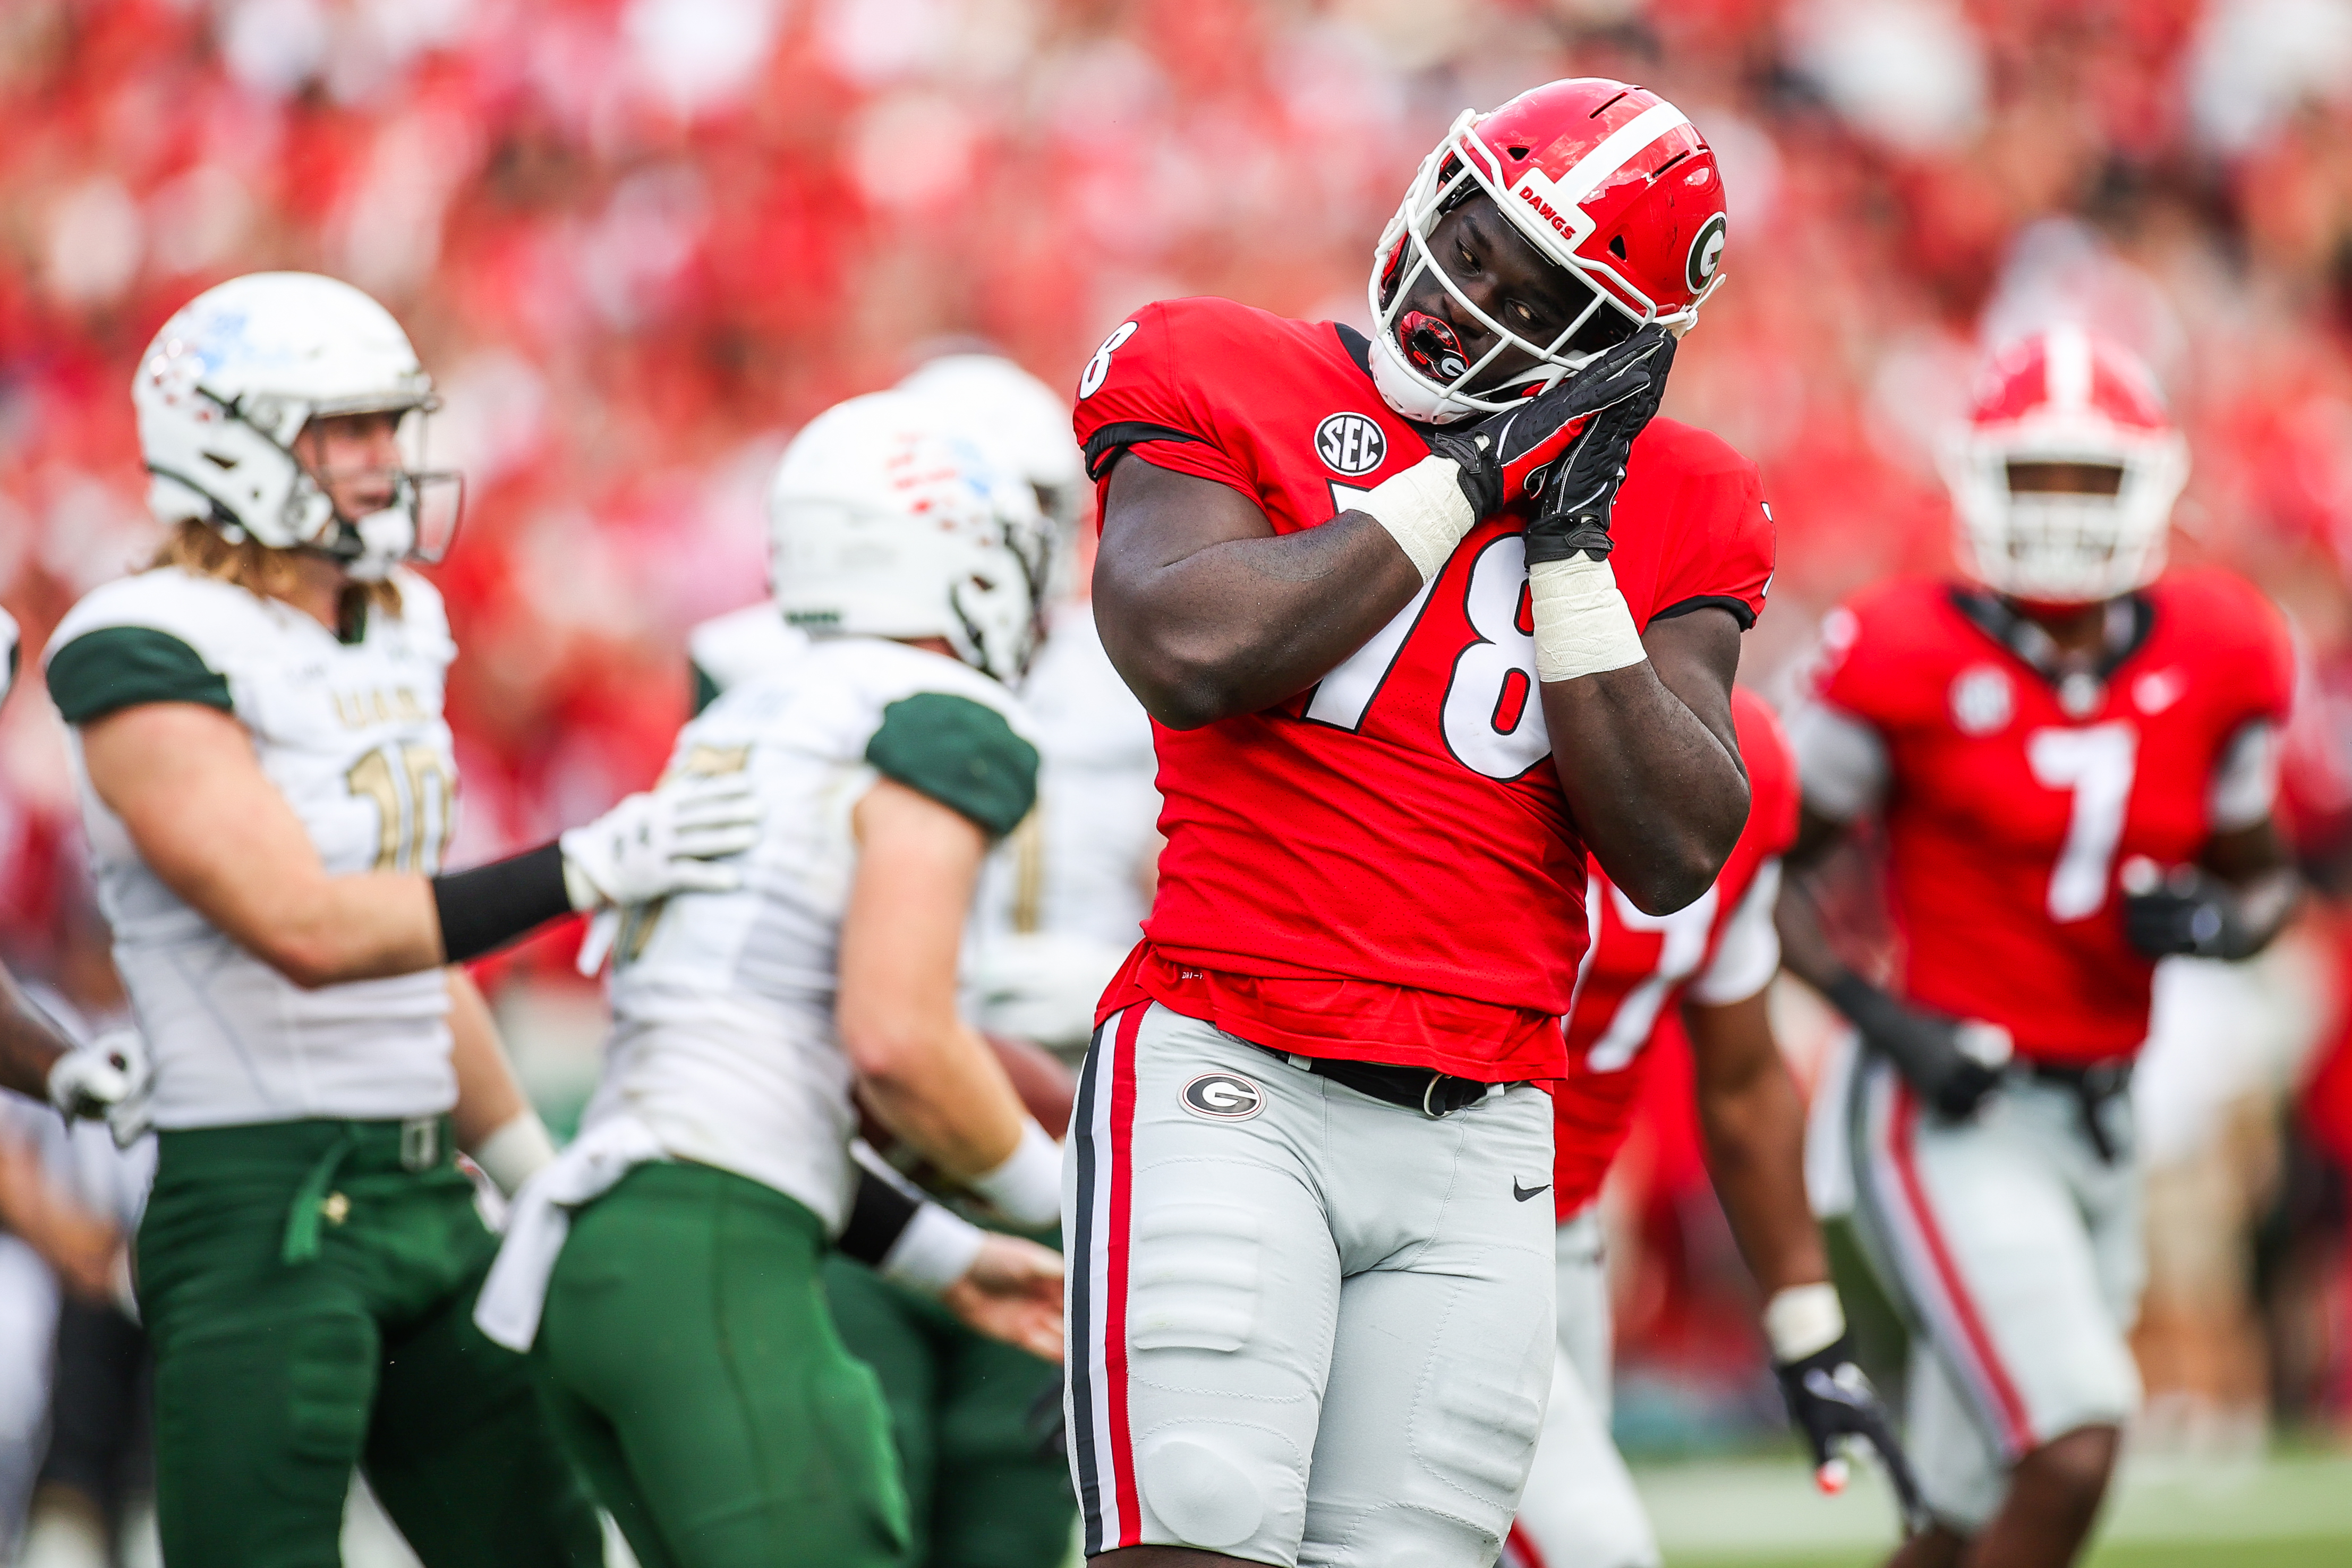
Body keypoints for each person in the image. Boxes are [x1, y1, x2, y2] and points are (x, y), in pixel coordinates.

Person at [1068, 78, 1774, 1567]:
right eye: (1470, 230)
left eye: (1538, 293)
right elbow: (1184, 649)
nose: (1465, 295)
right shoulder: (1215, 360)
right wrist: (1464, 486)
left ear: (1621, 352)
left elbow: (1672, 850)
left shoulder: (1682, 499)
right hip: (1230, 1069)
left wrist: (1568, 544)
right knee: (1194, 1535)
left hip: (1486, 1128)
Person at [43, 270, 763, 1568]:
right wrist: (579, 869)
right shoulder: (145, 643)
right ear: (226, 438)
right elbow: (309, 930)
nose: (386, 459)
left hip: (428, 1182)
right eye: (346, 430)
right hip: (262, 1196)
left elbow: (414, 956)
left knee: (548, 1548)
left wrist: (533, 1170)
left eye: (391, 423)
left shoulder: (395, 622)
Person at [474, 389, 1069, 1568]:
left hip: (605, 1250)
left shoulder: (748, 710)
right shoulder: (938, 718)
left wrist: (946, 1256)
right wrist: (1072, 1206)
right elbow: (896, 1041)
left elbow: (746, 1084)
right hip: (713, 1269)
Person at [1778, 325, 2299, 1568]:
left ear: (2152, 487)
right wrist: (1885, 1017)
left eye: (2090, 480)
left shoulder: (2223, 647)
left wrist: (2226, 927)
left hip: (2105, 1111)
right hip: (1947, 1108)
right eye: (2035, 478)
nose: (2061, 513)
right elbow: (1757, 874)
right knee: (2075, 1437)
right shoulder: (1898, 647)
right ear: (1975, 481)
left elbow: (2266, 872)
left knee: (1957, 1519)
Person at [1504, 687, 1917, 1568]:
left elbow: (1743, 1077)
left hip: (1564, 1233)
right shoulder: (1468, 724)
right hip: (1427, 1215)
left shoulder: (1749, 764)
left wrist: (1809, 1327)